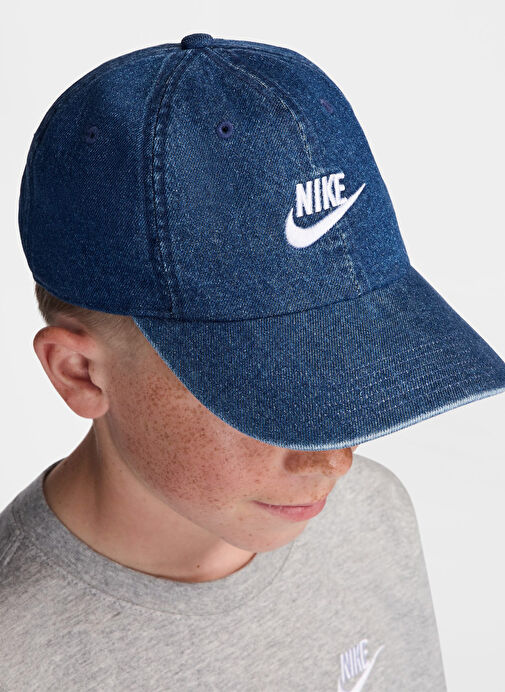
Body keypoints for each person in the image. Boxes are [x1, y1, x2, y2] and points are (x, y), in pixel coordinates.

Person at [2, 32, 504, 691]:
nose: (333, 460)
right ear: (80, 373)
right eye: (266, 392)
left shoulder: (372, 516)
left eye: (350, 365)